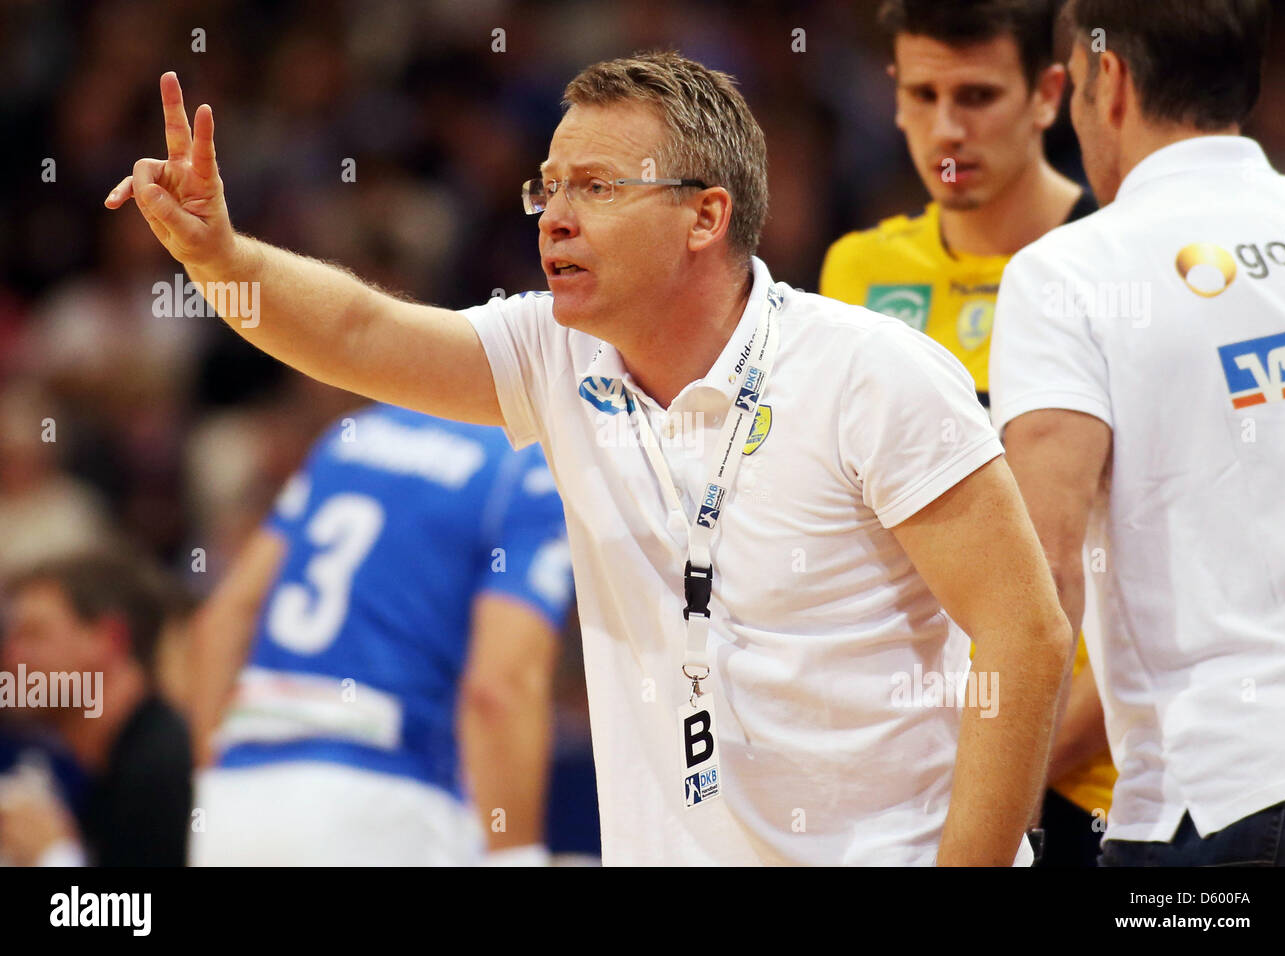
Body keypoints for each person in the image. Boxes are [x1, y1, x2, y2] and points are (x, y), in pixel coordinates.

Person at [106, 52, 1072, 866]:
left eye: (597, 188)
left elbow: (1023, 636)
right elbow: (360, 332)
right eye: (548, 187)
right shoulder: (554, 357)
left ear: (705, 217)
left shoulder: (872, 375)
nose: (552, 216)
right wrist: (222, 262)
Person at [991, 0, 1285, 865]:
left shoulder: (1068, 274)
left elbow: (1044, 576)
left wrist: (998, 826)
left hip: (1216, 804)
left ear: (1110, 80)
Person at [821, 0, 1114, 866]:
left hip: (1097, 779)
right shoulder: (858, 271)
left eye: (979, 95)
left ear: (1049, 93)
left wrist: (1007, 762)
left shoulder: (1112, 264)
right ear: (895, 96)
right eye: (924, 94)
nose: (947, 128)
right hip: (912, 773)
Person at [187, 403, 573, 866]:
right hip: (388, 798)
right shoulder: (527, 467)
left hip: (239, 798)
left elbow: (222, 622)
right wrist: (517, 857)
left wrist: (215, 776)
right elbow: (499, 688)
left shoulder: (349, 439)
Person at [0, 553, 192, 866]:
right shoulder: (103, 770)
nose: (10, 657)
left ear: (108, 640)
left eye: (33, 635)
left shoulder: (165, 771)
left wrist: (55, 857)